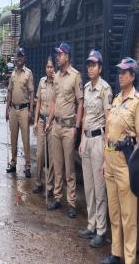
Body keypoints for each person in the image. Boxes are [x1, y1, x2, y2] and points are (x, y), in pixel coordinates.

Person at [100, 57, 139, 264]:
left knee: (129, 215)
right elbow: (109, 133)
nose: (121, 75)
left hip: (126, 163)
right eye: (119, 71)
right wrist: (105, 161)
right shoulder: (115, 99)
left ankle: (130, 258)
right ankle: (117, 253)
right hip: (111, 160)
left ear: (133, 76)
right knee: (114, 212)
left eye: (125, 72)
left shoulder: (136, 102)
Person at [77, 50, 112, 248]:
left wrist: (107, 152)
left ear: (100, 67)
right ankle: (90, 225)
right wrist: (82, 140)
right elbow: (85, 117)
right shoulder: (88, 87)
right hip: (87, 140)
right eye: (88, 65)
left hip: (99, 141)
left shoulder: (105, 89)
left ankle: (101, 230)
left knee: (100, 188)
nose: (90, 68)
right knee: (89, 186)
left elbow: (108, 121)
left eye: (94, 65)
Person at [45, 42, 83, 219]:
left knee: (69, 169)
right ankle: (58, 198)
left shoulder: (75, 76)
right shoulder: (57, 77)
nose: (58, 57)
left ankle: (72, 203)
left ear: (67, 56)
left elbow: (80, 103)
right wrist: (49, 122)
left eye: (60, 54)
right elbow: (53, 103)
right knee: (57, 165)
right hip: (56, 127)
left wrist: (76, 126)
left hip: (68, 127)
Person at [5, 48, 34, 178]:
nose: (19, 58)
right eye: (18, 56)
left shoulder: (28, 73)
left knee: (25, 139)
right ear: (16, 58)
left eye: (21, 56)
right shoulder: (13, 74)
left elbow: (32, 93)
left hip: (23, 110)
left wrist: (31, 110)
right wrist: (7, 109)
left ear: (24, 58)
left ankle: (27, 167)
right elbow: (9, 92)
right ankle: (13, 163)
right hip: (13, 110)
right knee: (13, 138)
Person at [32, 56, 55, 197]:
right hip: (41, 121)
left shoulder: (57, 82)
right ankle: (38, 182)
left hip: (52, 122)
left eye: (52, 67)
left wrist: (50, 121)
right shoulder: (41, 82)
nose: (49, 69)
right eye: (47, 67)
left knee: (51, 156)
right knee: (40, 154)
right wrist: (35, 122)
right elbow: (38, 103)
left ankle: (50, 185)